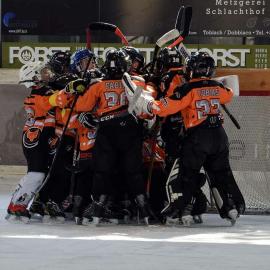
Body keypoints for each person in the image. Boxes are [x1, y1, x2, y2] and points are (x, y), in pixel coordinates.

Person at [123, 51, 245, 226]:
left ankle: (182, 208)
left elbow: (164, 108)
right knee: (221, 172)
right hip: (220, 136)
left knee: (187, 174)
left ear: (192, 70)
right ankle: (231, 207)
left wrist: (149, 104)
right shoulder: (218, 87)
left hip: (198, 137)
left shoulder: (187, 89)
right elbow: (229, 93)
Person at [49, 48, 151, 225]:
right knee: (133, 172)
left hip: (106, 130)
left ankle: (97, 208)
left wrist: (74, 93)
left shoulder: (98, 84)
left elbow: (81, 105)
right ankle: (143, 210)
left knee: (102, 172)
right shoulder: (139, 81)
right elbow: (147, 106)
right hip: (130, 130)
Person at [6, 62, 56, 222]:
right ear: (34, 78)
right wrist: (69, 89)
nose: (46, 73)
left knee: (38, 174)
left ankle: (17, 203)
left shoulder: (43, 92)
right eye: (42, 72)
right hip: (35, 139)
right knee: (36, 175)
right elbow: (58, 99)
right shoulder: (37, 96)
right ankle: (17, 205)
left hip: (39, 137)